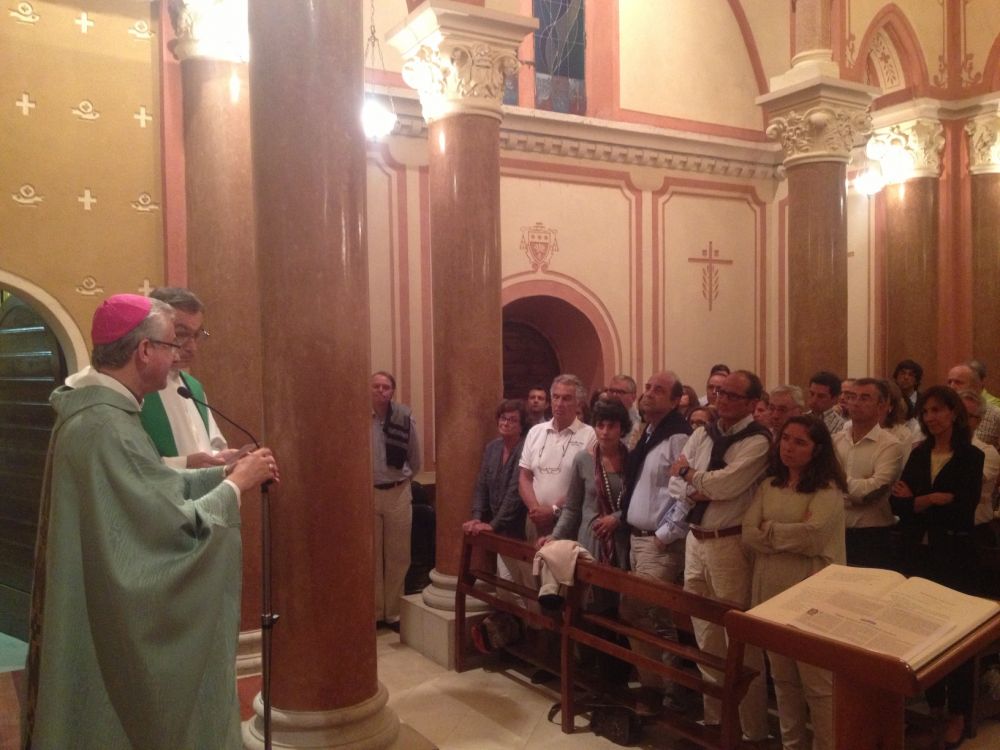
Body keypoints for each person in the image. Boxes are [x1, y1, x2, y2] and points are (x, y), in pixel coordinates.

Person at [25, 294, 278, 750]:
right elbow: (164, 532)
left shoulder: (106, 415)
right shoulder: (104, 426)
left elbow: (152, 485)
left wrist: (219, 473)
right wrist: (237, 486)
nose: (175, 356)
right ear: (144, 351)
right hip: (109, 616)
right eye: (169, 345)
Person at [670, 369, 772, 742]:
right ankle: (716, 717)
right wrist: (696, 483)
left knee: (739, 639)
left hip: (729, 542)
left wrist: (693, 478)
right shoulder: (703, 432)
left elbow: (728, 483)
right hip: (696, 539)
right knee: (705, 633)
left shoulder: (758, 440)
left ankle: (752, 730)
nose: (721, 399)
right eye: (719, 393)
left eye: (731, 395)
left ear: (750, 403)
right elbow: (674, 480)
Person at [743, 415, 847, 750]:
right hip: (770, 589)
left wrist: (769, 529)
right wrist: (783, 531)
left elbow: (813, 538)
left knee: (818, 684)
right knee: (784, 680)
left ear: (817, 450)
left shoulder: (827, 490)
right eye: (786, 438)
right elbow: (748, 535)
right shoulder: (768, 485)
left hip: (810, 592)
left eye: (800, 442)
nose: (789, 446)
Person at [891, 385, 984, 746]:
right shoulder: (918, 453)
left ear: (953, 413)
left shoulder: (970, 457)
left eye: (937, 410)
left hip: (957, 557)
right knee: (922, 634)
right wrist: (929, 499)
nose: (930, 417)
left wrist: (917, 501)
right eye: (926, 412)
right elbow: (897, 506)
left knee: (956, 636)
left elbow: (964, 509)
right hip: (919, 555)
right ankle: (933, 708)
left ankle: (959, 713)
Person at [618, 371, 693, 714]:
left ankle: (668, 692)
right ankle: (654, 685)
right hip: (637, 539)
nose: (648, 393)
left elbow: (685, 494)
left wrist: (666, 535)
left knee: (647, 613)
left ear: (676, 400)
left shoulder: (678, 436)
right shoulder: (648, 431)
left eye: (658, 390)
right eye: (647, 387)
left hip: (658, 542)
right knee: (641, 613)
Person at [140, 287, 241, 468]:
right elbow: (129, 467)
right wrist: (186, 464)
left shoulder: (192, 387)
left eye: (196, 335)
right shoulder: (139, 387)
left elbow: (209, 444)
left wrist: (221, 458)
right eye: (181, 334)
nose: (192, 347)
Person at [463, 399, 530, 652]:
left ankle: (532, 638)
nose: (505, 423)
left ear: (521, 425)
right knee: (506, 587)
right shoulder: (492, 448)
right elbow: (481, 483)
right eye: (502, 418)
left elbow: (515, 491)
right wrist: (478, 516)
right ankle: (516, 638)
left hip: (519, 528)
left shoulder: (525, 449)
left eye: (512, 419)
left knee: (523, 587)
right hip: (499, 529)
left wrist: (494, 524)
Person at [833, 378, 903, 569]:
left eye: (865, 398)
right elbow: (824, 484)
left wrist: (839, 488)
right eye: (852, 397)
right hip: (836, 530)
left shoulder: (890, 445)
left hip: (872, 535)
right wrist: (854, 488)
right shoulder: (836, 440)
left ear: (881, 406)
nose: (856, 403)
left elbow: (870, 493)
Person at [371, 370, 421, 628]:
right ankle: (375, 612)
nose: (381, 391)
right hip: (367, 492)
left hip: (398, 491)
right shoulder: (359, 417)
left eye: (386, 387)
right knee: (372, 555)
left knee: (398, 554)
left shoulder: (404, 415)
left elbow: (415, 457)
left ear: (393, 391)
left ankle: (392, 612)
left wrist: (403, 480)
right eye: (376, 386)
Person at [946, 361, 1000, 449]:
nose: (952, 386)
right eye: (949, 382)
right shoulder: (942, 414)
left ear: (976, 386)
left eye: (958, 382)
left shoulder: (996, 415)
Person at [806, 370, 845, 435]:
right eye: (812, 394)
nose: (814, 400)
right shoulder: (801, 418)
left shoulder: (841, 427)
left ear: (834, 399)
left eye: (821, 396)